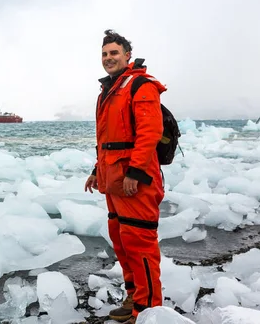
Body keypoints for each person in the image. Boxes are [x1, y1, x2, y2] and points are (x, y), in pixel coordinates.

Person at [84, 30, 166, 324]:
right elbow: (106, 139)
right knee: (122, 241)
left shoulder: (141, 86)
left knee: (140, 244)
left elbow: (149, 133)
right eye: (105, 54)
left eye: (114, 53)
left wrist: (136, 172)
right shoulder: (108, 91)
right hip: (113, 180)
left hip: (135, 182)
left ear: (127, 55)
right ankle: (135, 298)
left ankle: (148, 311)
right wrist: (97, 170)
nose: (108, 58)